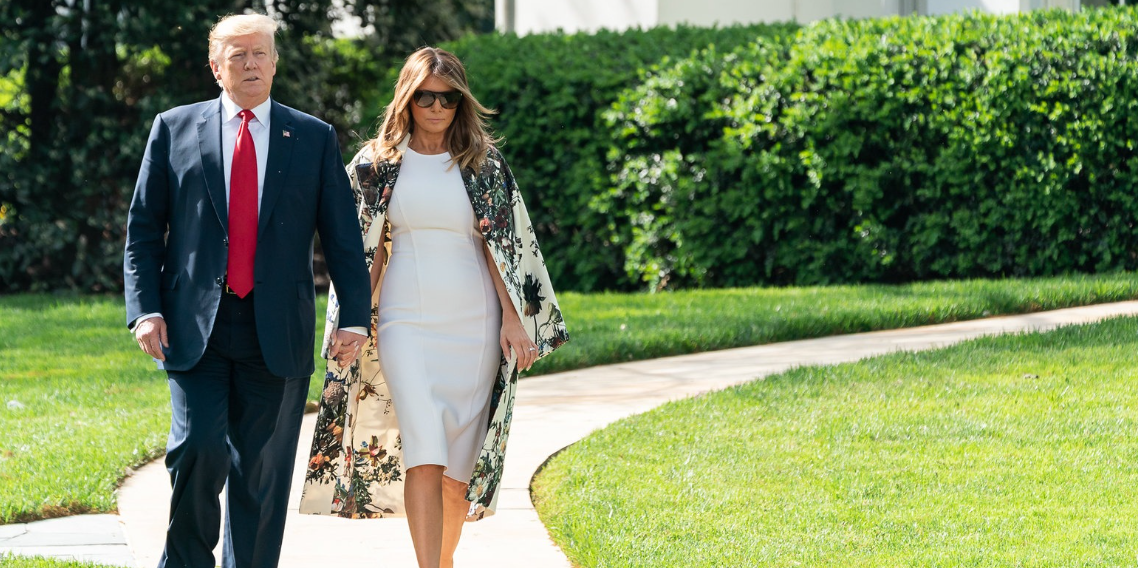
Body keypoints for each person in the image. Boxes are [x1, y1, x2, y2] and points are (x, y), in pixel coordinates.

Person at [298, 47, 570, 568]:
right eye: (425, 95)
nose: (436, 106)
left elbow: (503, 248)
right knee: (424, 452)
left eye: (447, 97)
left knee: (456, 475)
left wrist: (515, 320)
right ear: (407, 97)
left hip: (474, 324)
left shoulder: (484, 164)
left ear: (461, 101)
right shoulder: (375, 165)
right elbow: (364, 250)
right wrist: (353, 322)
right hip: (403, 322)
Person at [123, 13, 371, 568]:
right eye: (238, 55)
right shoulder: (173, 127)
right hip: (195, 327)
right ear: (216, 67)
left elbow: (341, 234)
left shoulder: (311, 137)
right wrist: (145, 310)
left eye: (260, 53)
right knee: (198, 451)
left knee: (260, 472)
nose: (251, 63)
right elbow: (143, 229)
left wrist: (355, 314)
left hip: (276, 328)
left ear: (275, 62)